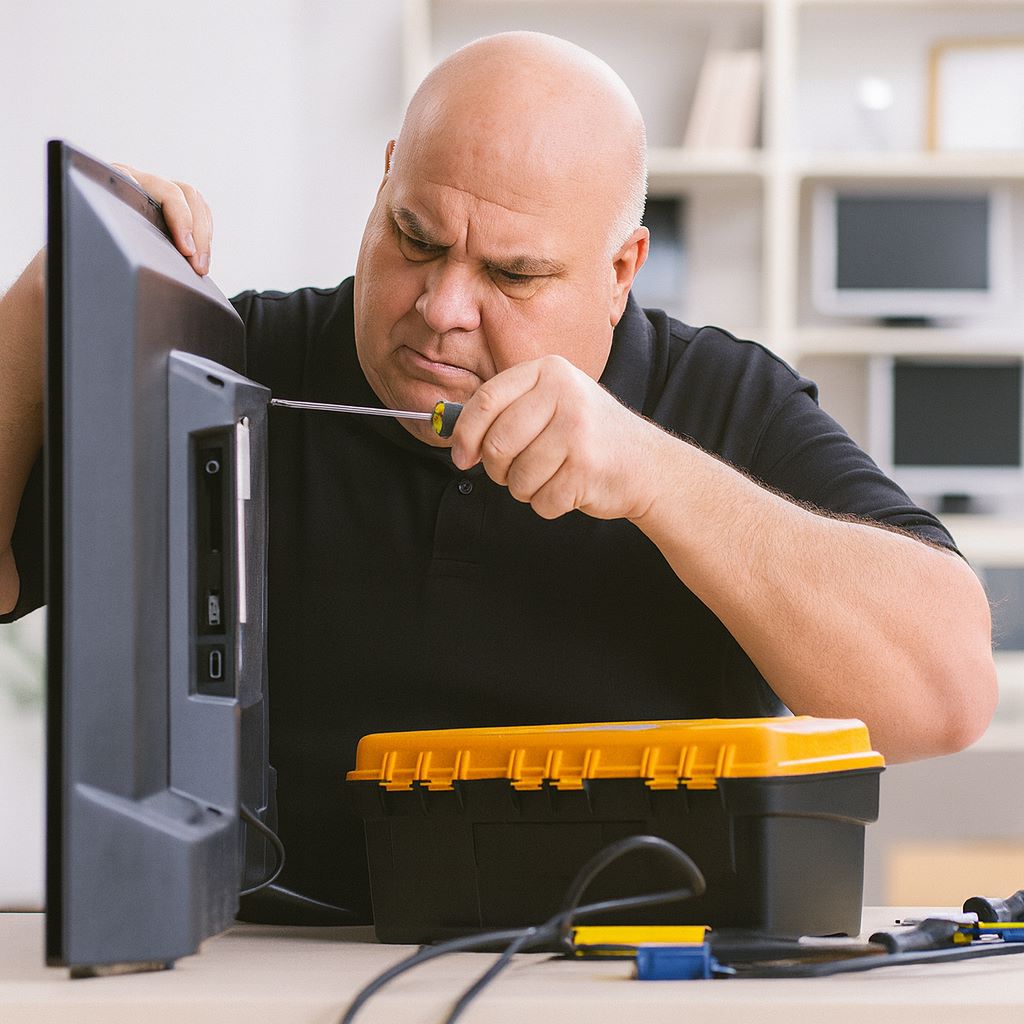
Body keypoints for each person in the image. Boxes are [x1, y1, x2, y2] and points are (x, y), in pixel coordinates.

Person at [0, 32, 997, 918]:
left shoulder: (721, 399)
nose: (441, 307)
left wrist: (655, 476)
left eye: (513, 274)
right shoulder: (233, 361)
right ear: (386, 180)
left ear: (621, 270)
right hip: (272, 971)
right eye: (415, 238)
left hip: (645, 982)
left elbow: (943, 699)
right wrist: (36, 314)